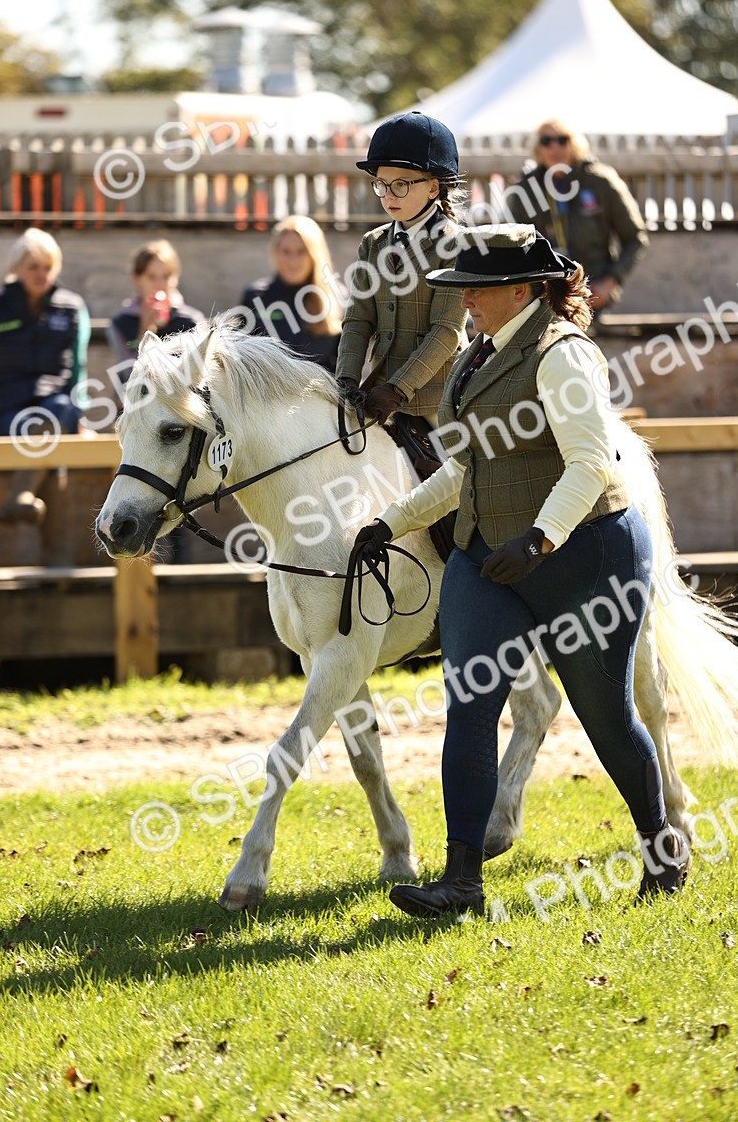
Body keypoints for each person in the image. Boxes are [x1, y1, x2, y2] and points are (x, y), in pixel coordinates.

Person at [354, 224, 691, 916]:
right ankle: (462, 882)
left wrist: (539, 542)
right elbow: (465, 469)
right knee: (469, 711)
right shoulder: (478, 357)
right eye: (463, 290)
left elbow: (592, 462)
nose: (466, 302)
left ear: (522, 290)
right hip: (487, 560)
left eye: (476, 290)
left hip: (587, 556)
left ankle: (661, 842)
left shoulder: (565, 357)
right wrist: (391, 522)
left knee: (606, 716)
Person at [335, 110, 468, 426]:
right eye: (381, 184)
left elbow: (446, 331)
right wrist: (346, 379)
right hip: (378, 392)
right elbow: (358, 319)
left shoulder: (456, 244)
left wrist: (398, 388)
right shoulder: (373, 242)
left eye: (400, 185)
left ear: (433, 188)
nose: (388, 195)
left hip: (439, 400)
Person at [507, 120, 648, 326]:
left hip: (593, 298)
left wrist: (610, 282)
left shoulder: (601, 181)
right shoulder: (525, 189)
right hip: (544, 300)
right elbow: (516, 248)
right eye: (547, 141)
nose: (555, 147)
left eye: (562, 140)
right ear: (538, 148)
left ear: (575, 144)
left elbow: (636, 238)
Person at [0, 228, 90, 524]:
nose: (41, 274)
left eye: (47, 267)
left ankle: (20, 496)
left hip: (57, 409)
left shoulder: (72, 307)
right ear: (16, 268)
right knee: (43, 436)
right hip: (7, 412)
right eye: (33, 266)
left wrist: (82, 416)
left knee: (57, 414)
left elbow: (78, 365)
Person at [240, 215, 342, 372]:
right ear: (275, 252)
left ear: (315, 254)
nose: (292, 261)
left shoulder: (338, 297)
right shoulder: (255, 296)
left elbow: (347, 365)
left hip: (321, 393)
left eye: (301, 252)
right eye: (285, 251)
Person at [109, 239, 206, 382]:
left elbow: (199, 375)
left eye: (166, 277)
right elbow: (129, 376)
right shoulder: (122, 324)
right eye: (151, 277)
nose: (160, 285)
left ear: (176, 277)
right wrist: (145, 331)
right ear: (136, 279)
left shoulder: (192, 321)